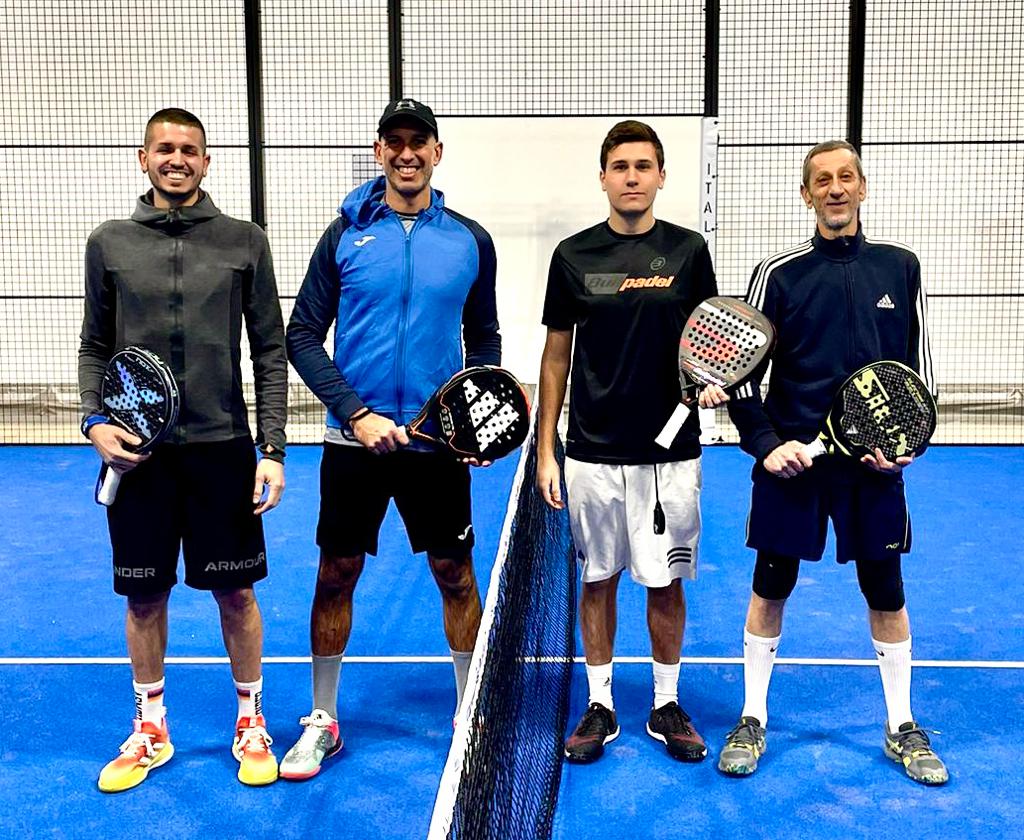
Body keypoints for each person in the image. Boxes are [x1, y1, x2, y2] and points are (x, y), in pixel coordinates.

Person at [716, 140, 947, 785]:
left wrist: (905, 447)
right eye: (822, 180)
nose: (835, 188)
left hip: (873, 470)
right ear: (806, 194)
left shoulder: (900, 267)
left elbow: (919, 370)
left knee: (886, 588)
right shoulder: (778, 274)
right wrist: (767, 445)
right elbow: (739, 373)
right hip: (792, 465)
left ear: (862, 187)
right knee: (771, 584)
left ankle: (901, 724)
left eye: (846, 177)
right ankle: (753, 716)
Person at [282, 98, 501, 779]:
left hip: (435, 448)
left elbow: (484, 338)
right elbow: (301, 335)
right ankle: (323, 719)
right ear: (379, 151)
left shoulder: (470, 240)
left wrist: (473, 417)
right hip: (356, 445)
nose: (407, 153)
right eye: (394, 142)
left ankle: (470, 714)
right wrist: (354, 413)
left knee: (455, 573)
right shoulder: (344, 235)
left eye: (419, 142)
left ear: (437, 151)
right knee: (336, 573)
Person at [79, 108, 288, 791]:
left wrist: (273, 447)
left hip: (221, 449)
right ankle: (151, 729)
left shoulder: (244, 241)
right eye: (165, 148)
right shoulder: (109, 243)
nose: (177, 159)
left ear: (206, 160)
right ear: (143, 158)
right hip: (136, 453)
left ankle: (250, 720)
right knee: (144, 596)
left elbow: (270, 349)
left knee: (236, 590)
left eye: (190, 150)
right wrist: (94, 421)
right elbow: (94, 345)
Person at [536, 120, 720, 764]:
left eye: (644, 166)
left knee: (665, 582)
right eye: (621, 166)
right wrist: (547, 451)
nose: (632, 177)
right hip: (592, 452)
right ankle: (601, 703)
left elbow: (710, 339)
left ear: (662, 176)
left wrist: (709, 385)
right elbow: (556, 357)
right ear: (604, 178)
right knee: (598, 579)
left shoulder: (689, 252)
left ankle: (666, 703)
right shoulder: (573, 256)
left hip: (671, 454)